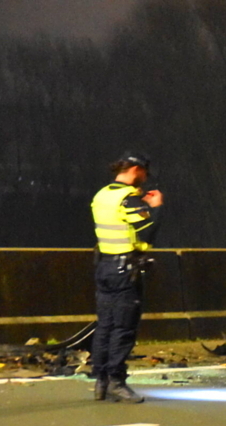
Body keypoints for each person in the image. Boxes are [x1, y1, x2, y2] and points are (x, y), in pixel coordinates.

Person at [90, 152, 164, 403]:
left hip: (104, 267)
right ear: (134, 170)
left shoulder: (101, 195)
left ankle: (100, 382)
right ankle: (117, 381)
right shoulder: (128, 198)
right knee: (123, 328)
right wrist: (155, 209)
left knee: (104, 327)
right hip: (125, 271)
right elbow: (146, 233)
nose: (144, 180)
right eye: (143, 174)